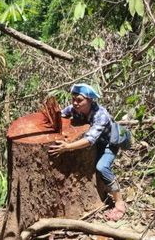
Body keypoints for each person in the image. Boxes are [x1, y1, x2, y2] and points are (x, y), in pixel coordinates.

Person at [48, 83, 128, 221]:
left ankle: (119, 202)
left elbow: (89, 140)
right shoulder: (74, 109)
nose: (75, 103)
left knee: (101, 167)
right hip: (95, 143)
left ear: (90, 100)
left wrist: (67, 146)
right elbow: (61, 115)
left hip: (107, 143)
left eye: (79, 100)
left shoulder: (100, 115)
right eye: (73, 99)